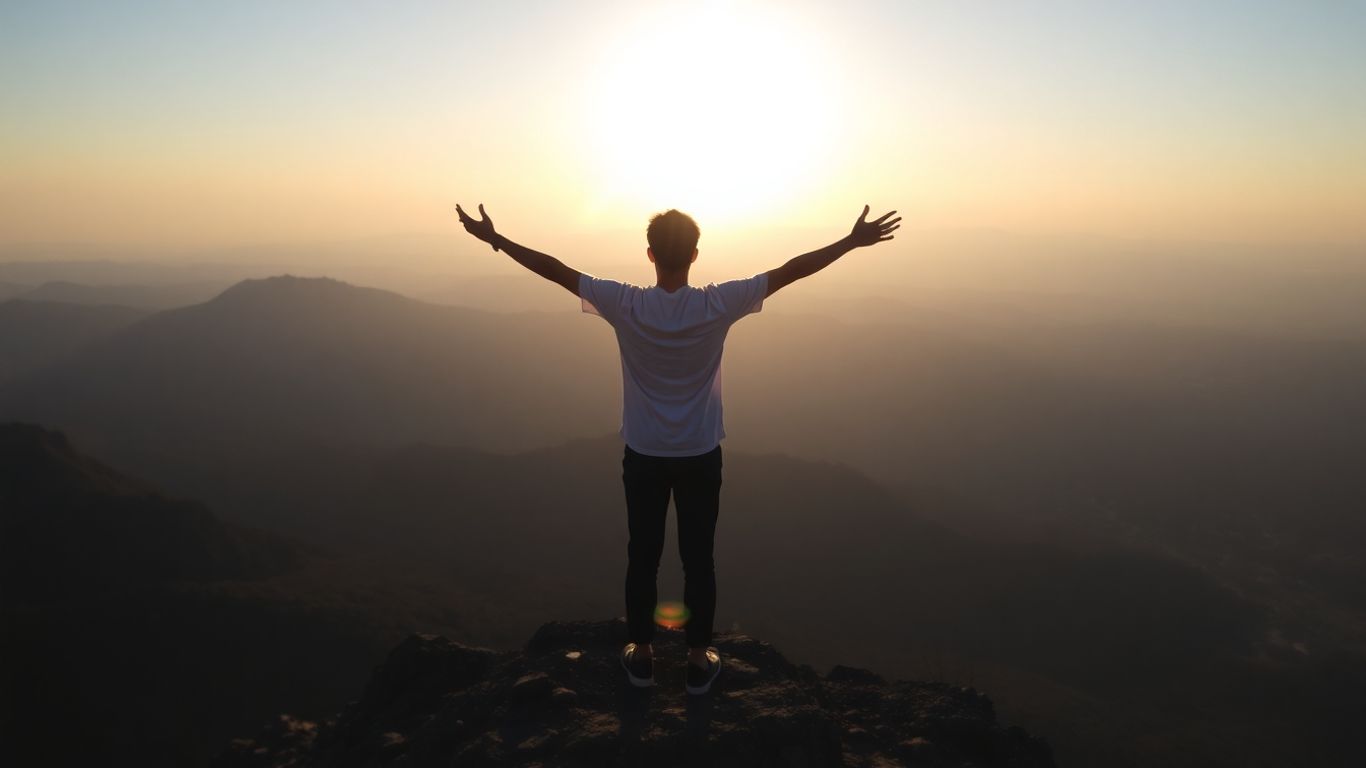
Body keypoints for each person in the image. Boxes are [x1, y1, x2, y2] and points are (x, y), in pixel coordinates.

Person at [455, 203, 900, 694]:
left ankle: (643, 657)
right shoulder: (718, 304)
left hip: (644, 453)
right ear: (694, 254)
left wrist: (496, 239)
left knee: (643, 554)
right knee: (699, 557)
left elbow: (555, 270)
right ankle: (697, 660)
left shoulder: (625, 303)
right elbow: (790, 271)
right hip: (700, 454)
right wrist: (850, 241)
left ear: (650, 255)